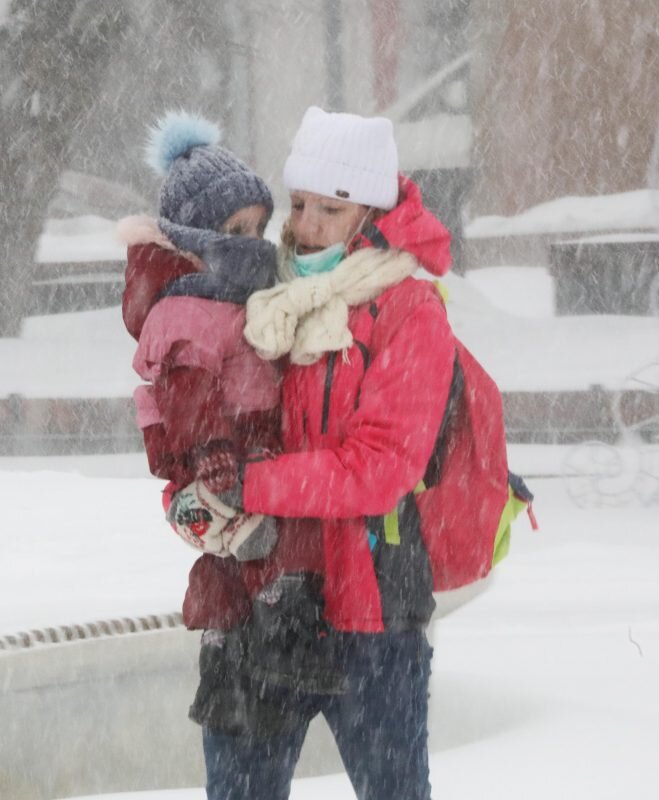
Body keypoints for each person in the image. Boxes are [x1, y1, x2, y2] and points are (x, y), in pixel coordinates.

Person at [170, 106, 457, 800]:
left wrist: (252, 485)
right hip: (259, 597)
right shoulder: (262, 293)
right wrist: (189, 488)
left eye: (332, 208)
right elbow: (196, 407)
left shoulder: (410, 312)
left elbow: (380, 467)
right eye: (299, 205)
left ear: (372, 210)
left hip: (372, 605)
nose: (308, 226)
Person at [120, 112, 283, 567]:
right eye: (236, 232)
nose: (252, 243)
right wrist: (210, 448)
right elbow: (188, 389)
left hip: (252, 443)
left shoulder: (234, 295)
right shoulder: (190, 307)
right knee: (241, 572)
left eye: (258, 229)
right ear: (195, 237)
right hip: (224, 450)